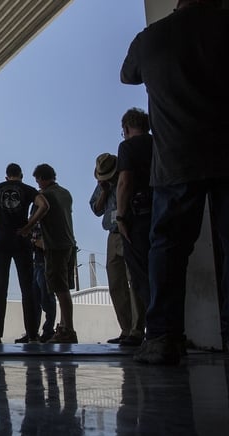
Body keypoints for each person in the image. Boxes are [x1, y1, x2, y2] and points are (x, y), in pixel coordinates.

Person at [121, 0, 229, 364]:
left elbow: (128, 74)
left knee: (167, 246)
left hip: (176, 157)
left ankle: (164, 337)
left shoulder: (150, 38)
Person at [0, 163, 48, 344]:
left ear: (6, 176)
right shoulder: (28, 189)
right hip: (21, 241)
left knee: (0, 288)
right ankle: (33, 335)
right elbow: (44, 206)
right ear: (21, 175)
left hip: (1, 241)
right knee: (27, 289)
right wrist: (28, 226)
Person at [89, 153, 143, 346]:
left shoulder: (128, 178)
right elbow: (96, 209)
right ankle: (126, 329)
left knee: (134, 281)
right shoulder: (103, 185)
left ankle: (138, 330)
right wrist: (104, 191)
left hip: (129, 230)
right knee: (116, 283)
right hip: (112, 234)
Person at [115, 108, 152, 349]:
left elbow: (125, 182)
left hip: (138, 218)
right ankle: (171, 331)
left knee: (141, 276)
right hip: (163, 213)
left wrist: (120, 216)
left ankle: (157, 332)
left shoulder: (127, 147)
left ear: (127, 128)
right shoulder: (158, 142)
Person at [30, 164, 78, 344]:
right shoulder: (65, 193)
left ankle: (67, 331)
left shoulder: (45, 195)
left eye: (37, 180)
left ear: (42, 178)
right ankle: (65, 326)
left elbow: (41, 212)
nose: (38, 184)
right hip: (70, 244)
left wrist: (27, 226)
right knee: (64, 289)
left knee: (60, 289)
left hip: (55, 246)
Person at [30, 223, 57, 342]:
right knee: (34, 301)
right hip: (36, 264)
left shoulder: (50, 220)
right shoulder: (34, 217)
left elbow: (47, 244)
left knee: (47, 298)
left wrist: (34, 241)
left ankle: (48, 331)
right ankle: (32, 332)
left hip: (45, 264)